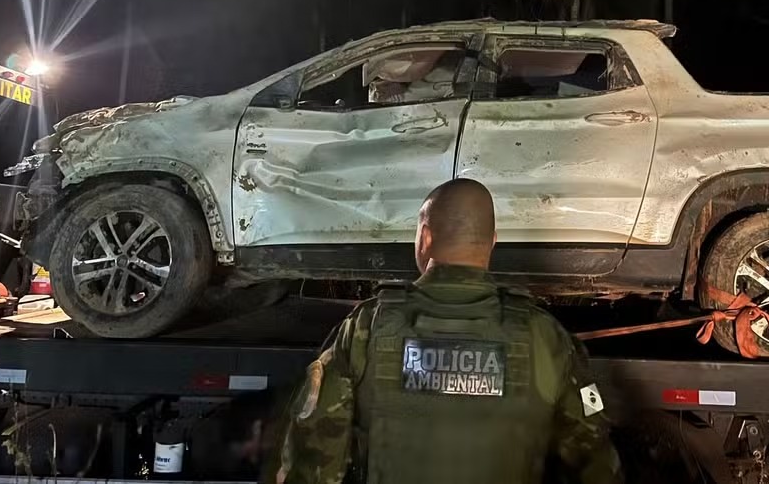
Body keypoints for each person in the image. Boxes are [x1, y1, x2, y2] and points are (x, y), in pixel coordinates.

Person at [265, 178, 623, 484]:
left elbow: (312, 458)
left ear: (425, 236)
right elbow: (596, 464)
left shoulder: (368, 327)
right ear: (492, 241)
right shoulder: (545, 336)